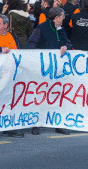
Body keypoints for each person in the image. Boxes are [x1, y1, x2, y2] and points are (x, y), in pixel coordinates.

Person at [27, 7, 72, 135]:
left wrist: (66, 46)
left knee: (58, 96)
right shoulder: (41, 28)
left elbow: (68, 43)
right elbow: (31, 45)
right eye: (62, 16)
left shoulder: (62, 29)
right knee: (40, 96)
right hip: (43, 69)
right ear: (57, 17)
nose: (64, 18)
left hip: (58, 69)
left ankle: (58, 123)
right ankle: (36, 124)